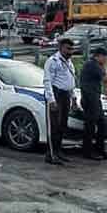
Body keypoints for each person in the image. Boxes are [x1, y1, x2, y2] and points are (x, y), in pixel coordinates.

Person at [43, 37, 76, 165]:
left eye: (71, 49)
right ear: (60, 48)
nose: (70, 51)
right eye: (68, 49)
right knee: (54, 126)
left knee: (62, 125)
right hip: (55, 94)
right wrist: (51, 100)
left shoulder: (69, 62)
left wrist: (73, 97)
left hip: (65, 95)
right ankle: (51, 154)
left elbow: (71, 81)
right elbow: (47, 81)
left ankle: (58, 151)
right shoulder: (52, 61)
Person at [80, 46, 107, 160]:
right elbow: (106, 79)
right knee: (90, 126)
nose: (106, 59)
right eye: (104, 57)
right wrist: (105, 67)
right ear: (98, 56)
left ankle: (100, 148)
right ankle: (87, 151)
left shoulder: (95, 65)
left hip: (95, 98)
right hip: (90, 99)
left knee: (103, 124)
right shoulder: (92, 65)